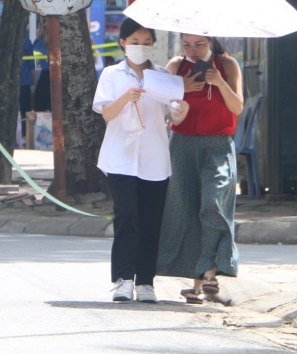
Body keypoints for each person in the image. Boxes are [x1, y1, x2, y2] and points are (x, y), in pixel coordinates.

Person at [93, 18, 190, 303]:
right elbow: (107, 114)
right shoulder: (112, 74)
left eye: (147, 43)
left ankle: (145, 281)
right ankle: (123, 279)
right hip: (120, 159)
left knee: (151, 220)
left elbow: (172, 117)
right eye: (135, 42)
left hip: (154, 160)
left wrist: (181, 111)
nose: (141, 48)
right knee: (126, 216)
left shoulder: (162, 77)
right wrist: (125, 97)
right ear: (123, 43)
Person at [158, 33, 244, 305]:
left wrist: (219, 82)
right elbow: (161, 108)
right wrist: (179, 88)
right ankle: (200, 281)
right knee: (187, 210)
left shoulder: (227, 64)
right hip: (182, 145)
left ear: (211, 42)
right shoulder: (176, 66)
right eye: (186, 44)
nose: (192, 50)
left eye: (199, 44)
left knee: (212, 203)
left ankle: (211, 270)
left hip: (218, 144)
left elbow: (237, 106)